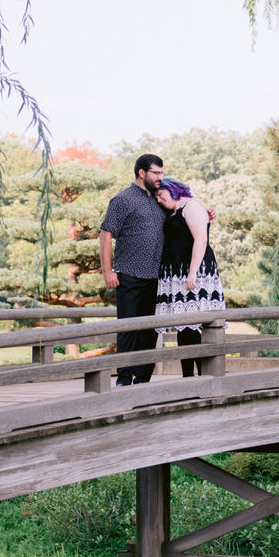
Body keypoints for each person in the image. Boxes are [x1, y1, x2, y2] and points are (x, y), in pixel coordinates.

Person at [99, 154, 167, 385]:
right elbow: (106, 233)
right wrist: (108, 271)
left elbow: (184, 206)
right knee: (127, 327)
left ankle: (143, 379)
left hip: (156, 277)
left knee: (149, 329)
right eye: (156, 173)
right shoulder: (122, 200)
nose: (160, 177)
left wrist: (205, 212)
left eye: (161, 173)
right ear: (141, 173)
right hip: (128, 274)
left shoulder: (161, 198)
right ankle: (124, 378)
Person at [153, 179, 224, 377]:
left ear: (173, 189)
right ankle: (188, 377)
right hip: (176, 273)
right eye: (156, 196)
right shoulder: (173, 211)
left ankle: (205, 375)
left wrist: (192, 272)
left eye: (161, 194)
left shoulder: (192, 206)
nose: (159, 199)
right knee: (184, 327)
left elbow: (201, 240)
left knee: (194, 324)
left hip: (192, 272)